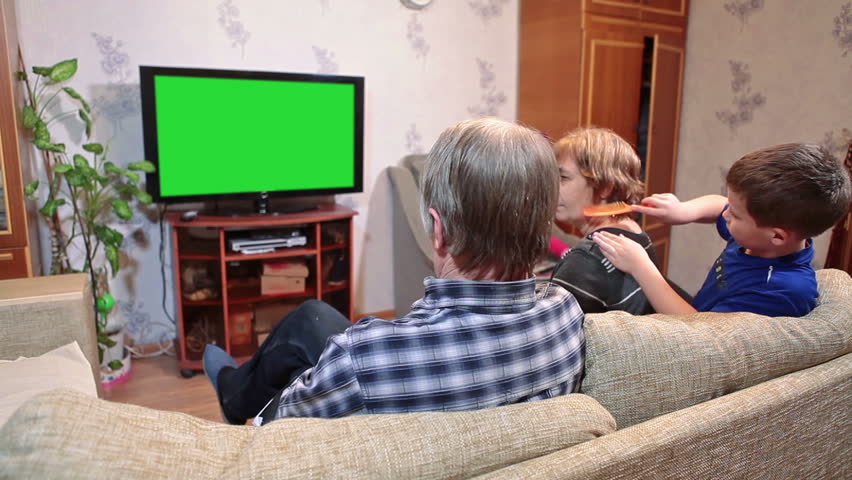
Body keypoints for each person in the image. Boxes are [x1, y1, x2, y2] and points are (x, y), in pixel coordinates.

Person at [203, 117, 586, 425]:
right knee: (311, 318)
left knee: (303, 335)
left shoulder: (365, 355)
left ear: (440, 231)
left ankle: (233, 396)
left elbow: (275, 434)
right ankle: (233, 388)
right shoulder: (567, 312)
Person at [592, 142, 852, 317]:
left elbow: (704, 333)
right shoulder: (764, 240)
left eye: (735, 214)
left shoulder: (781, 291)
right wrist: (683, 211)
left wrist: (641, 266)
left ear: (777, 235)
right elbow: (719, 206)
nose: (726, 214)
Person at [548, 127, 687, 315]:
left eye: (563, 177)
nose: (552, 186)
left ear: (605, 188)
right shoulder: (632, 229)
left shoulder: (584, 261)